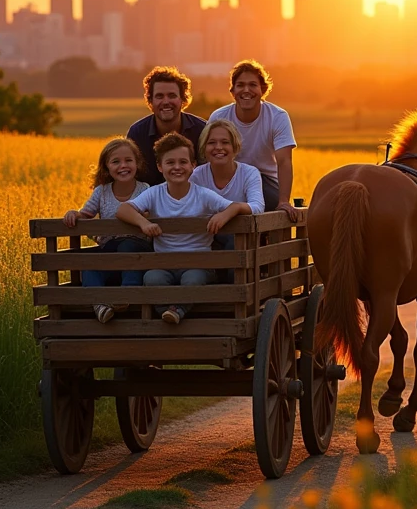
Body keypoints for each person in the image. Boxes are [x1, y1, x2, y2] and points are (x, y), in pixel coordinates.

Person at [116, 132, 249, 324]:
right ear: (160, 167)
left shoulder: (203, 195)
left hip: (198, 265)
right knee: (152, 278)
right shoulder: (154, 194)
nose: (177, 167)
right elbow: (124, 209)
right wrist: (144, 223)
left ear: (193, 166)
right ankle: (170, 312)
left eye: (183, 162)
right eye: (170, 163)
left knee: (192, 279)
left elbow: (236, 206)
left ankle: (177, 310)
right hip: (165, 265)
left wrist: (226, 213)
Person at [63, 137, 151, 324]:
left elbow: (151, 214)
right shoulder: (102, 191)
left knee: (127, 246)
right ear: (106, 167)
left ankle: (126, 295)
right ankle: (100, 305)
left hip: (137, 255)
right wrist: (74, 214)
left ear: (137, 163)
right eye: (116, 162)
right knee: (89, 265)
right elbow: (85, 215)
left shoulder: (145, 190)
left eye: (129, 160)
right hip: (109, 253)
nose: (123, 166)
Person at [209, 59, 298, 220]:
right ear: (233, 91)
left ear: (262, 90)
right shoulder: (219, 117)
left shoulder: (277, 116)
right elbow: (208, 156)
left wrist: (284, 200)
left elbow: (284, 161)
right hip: (229, 177)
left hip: (265, 181)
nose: (246, 90)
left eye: (252, 85)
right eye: (240, 85)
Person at [127, 66, 206, 186]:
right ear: (150, 101)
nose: (166, 101)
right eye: (159, 96)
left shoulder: (202, 130)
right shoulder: (137, 133)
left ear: (183, 100)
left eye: (172, 96)